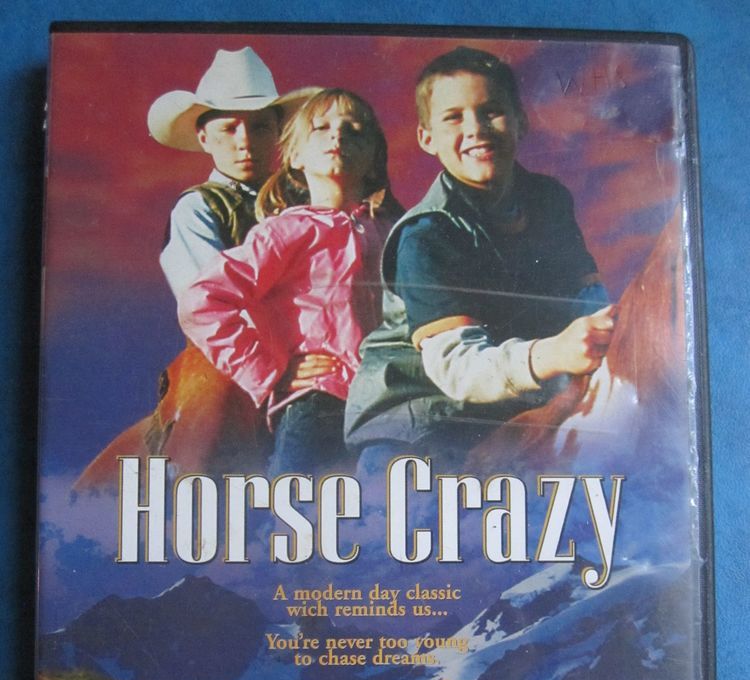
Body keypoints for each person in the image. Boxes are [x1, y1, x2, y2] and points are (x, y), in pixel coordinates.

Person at [344, 46, 615, 461]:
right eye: (454, 117)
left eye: (491, 112)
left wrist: (606, 328)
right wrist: (554, 353)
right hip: (421, 419)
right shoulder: (425, 234)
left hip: (514, 401)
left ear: (521, 122)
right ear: (427, 138)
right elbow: (459, 367)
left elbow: (586, 300)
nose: (475, 129)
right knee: (411, 490)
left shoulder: (549, 200)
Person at [178, 89, 401, 475]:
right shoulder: (285, 231)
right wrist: (268, 371)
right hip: (319, 400)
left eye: (354, 130)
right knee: (300, 500)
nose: (338, 135)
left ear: (373, 158)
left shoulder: (396, 232)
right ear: (295, 156)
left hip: (390, 401)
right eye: (322, 127)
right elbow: (204, 300)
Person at [147, 47, 316, 297]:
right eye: (229, 129)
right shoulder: (197, 208)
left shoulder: (304, 196)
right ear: (204, 138)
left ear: (278, 133)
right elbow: (207, 299)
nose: (245, 142)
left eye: (260, 127)